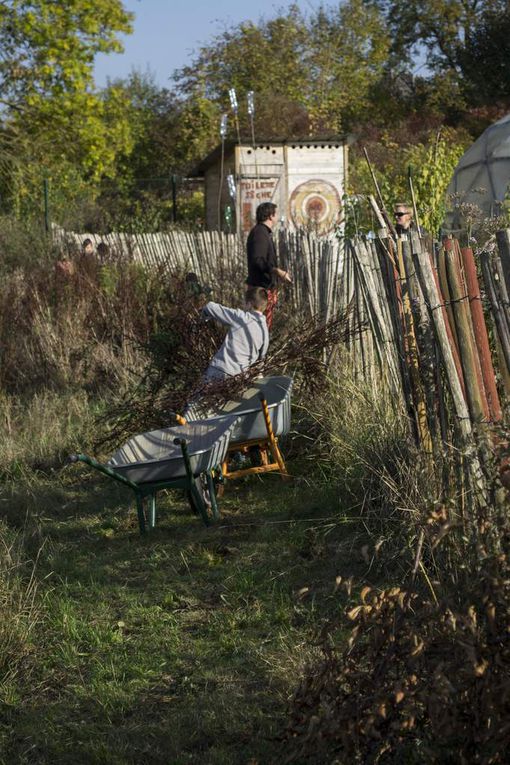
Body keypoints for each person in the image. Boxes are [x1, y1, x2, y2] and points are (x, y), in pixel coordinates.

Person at [202, 286, 269, 382]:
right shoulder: (265, 332)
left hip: (219, 369)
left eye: (245, 303)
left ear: (249, 304)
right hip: (238, 378)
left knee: (199, 396)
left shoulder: (240, 317)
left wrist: (203, 317)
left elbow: (210, 307)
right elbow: (261, 361)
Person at [246, 202, 291, 329]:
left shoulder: (263, 232)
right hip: (260, 291)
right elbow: (257, 260)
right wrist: (276, 271)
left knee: (262, 327)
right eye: (276, 214)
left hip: (264, 288)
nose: (277, 218)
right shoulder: (260, 233)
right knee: (259, 328)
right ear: (271, 216)